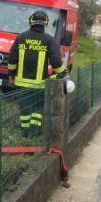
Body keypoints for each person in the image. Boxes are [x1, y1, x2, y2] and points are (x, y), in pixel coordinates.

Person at [7, 10, 66, 138]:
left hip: (21, 84)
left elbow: (12, 59)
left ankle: (24, 132)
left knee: (24, 110)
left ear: (31, 22)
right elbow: (56, 62)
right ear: (45, 24)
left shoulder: (21, 37)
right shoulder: (48, 40)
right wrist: (64, 73)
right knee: (37, 110)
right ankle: (34, 133)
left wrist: (11, 74)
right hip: (39, 85)